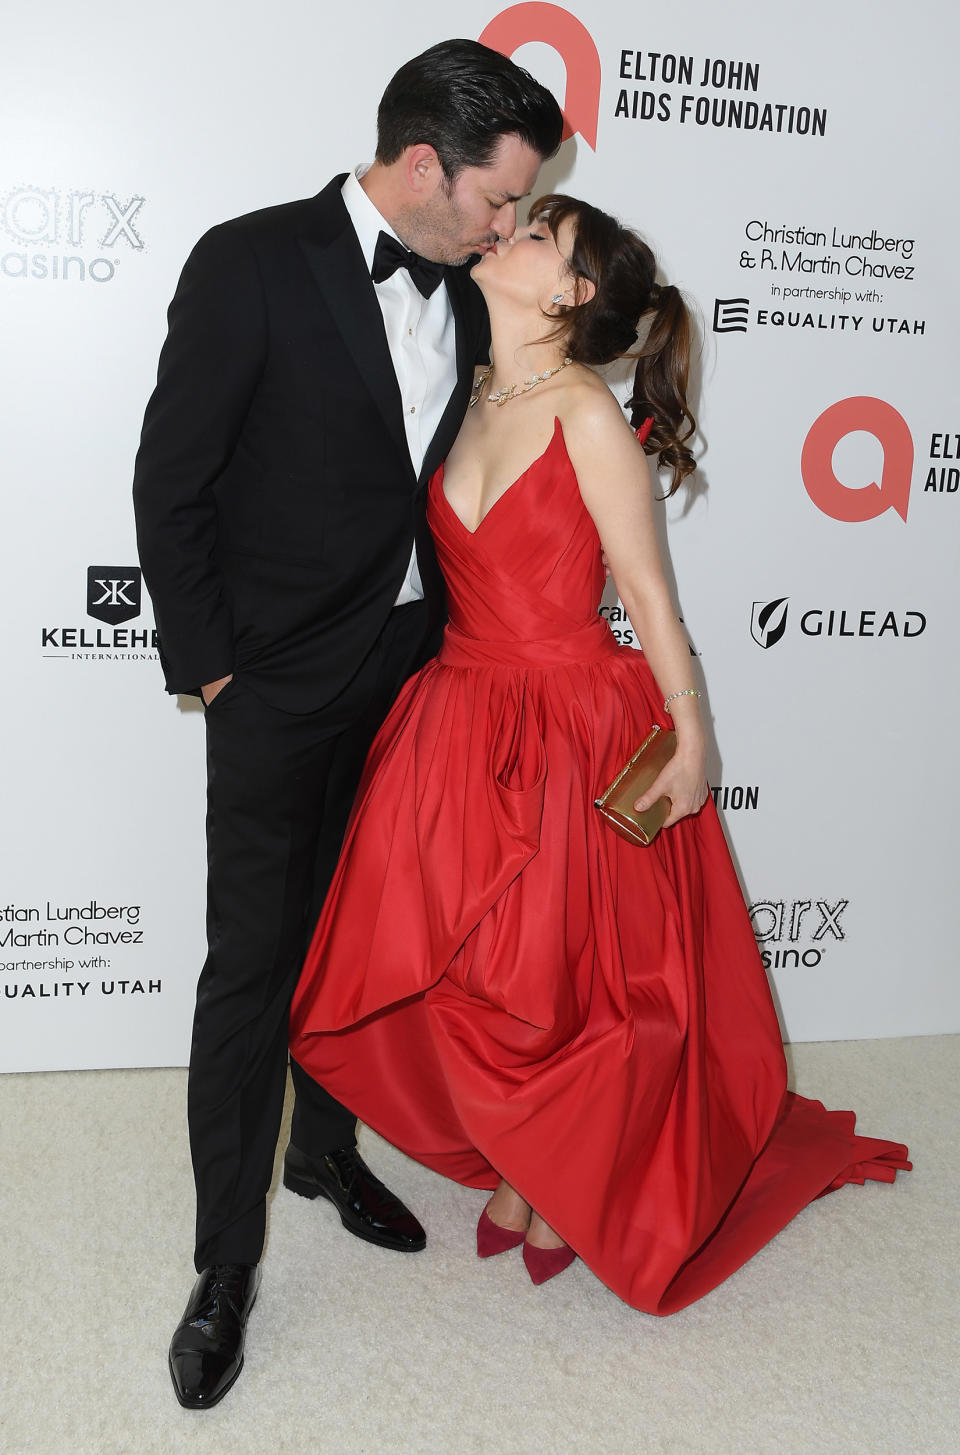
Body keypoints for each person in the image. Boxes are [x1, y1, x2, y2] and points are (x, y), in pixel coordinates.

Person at [289, 194, 910, 1311]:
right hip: (460, 713)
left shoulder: (584, 415)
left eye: (537, 237)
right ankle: (528, 1158)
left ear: (572, 294)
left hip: (575, 716)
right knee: (473, 964)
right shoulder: (471, 389)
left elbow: (651, 602)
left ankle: (545, 1178)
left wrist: (695, 738)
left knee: (559, 973)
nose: (507, 236)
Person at [132, 40, 563, 1407]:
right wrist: (211, 672)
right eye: (500, 200)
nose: (513, 228)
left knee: (365, 938)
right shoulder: (250, 259)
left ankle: (324, 1150)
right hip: (269, 684)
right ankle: (222, 1265)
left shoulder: (479, 286)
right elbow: (173, 477)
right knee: (256, 963)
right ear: (423, 164)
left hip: (414, 675)